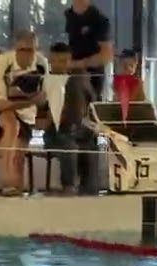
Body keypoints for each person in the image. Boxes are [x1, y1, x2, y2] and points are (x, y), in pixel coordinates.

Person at [0, 31, 49, 196]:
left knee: (18, 157)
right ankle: (6, 179)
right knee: (12, 125)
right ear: (16, 49)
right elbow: (1, 104)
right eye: (23, 50)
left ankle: (17, 192)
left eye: (31, 50)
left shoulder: (42, 64)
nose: (27, 55)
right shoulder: (2, 62)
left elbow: (43, 98)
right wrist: (31, 101)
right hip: (0, 106)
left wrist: (39, 107)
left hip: (27, 114)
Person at [44, 42, 97, 194]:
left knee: (91, 147)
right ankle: (69, 187)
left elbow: (93, 102)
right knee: (69, 145)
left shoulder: (78, 78)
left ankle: (90, 189)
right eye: (55, 61)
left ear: (70, 60)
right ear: (50, 61)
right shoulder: (46, 79)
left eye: (64, 61)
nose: (60, 65)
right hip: (55, 131)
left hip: (80, 128)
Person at [65, 0, 114, 99]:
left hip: (92, 81)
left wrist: (77, 64)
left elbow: (106, 55)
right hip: (70, 78)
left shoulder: (99, 20)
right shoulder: (69, 16)